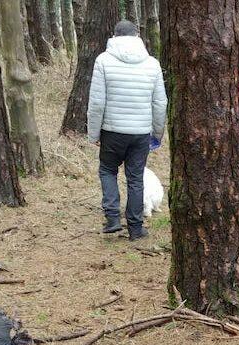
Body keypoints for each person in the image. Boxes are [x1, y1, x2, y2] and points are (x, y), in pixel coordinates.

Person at [87, 20, 167, 241]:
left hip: (111, 131)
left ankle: (112, 218)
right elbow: (160, 103)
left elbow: (96, 103)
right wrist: (157, 134)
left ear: (114, 36)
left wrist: (94, 134)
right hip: (140, 133)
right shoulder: (152, 64)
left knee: (107, 170)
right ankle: (135, 227)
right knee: (135, 177)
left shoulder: (103, 61)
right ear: (137, 36)